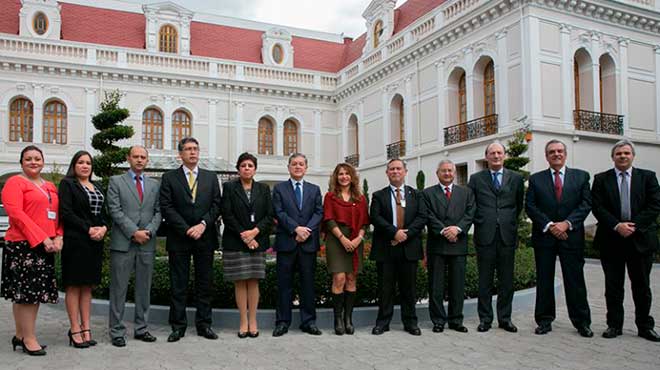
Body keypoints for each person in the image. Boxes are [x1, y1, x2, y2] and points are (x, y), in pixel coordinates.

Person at [591, 139, 660, 342]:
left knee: (642, 287)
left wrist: (633, 226)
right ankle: (614, 325)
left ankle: (645, 326)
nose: (622, 156)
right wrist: (617, 226)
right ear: (613, 157)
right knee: (613, 287)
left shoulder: (647, 177)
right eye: (619, 153)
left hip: (640, 241)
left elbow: (655, 205)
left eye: (626, 153)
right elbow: (597, 206)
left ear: (632, 156)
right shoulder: (601, 179)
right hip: (611, 240)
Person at [525, 140, 593, 337]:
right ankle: (544, 320)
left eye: (560, 151)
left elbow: (585, 204)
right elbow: (531, 206)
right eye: (552, 152)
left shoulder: (580, 177)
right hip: (545, 237)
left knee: (575, 281)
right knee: (544, 280)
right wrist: (550, 226)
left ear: (565, 154)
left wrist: (567, 224)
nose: (556, 154)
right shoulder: (536, 179)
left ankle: (582, 322)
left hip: (571, 237)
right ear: (546, 156)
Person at [1, 145, 62, 356]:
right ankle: (29, 337)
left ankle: (20, 335)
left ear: (43, 161)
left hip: (45, 245)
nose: (33, 162)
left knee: (28, 294)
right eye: (28, 159)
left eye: (37, 158)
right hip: (22, 245)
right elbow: (17, 215)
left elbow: (58, 214)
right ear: (21, 162)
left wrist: (58, 235)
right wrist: (42, 237)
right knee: (26, 295)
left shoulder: (50, 186)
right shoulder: (14, 183)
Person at [160, 137, 222, 342]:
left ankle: (204, 325)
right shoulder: (169, 177)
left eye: (195, 149)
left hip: (205, 237)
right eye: (188, 149)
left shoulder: (211, 177)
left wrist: (203, 224)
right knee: (179, 284)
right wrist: (187, 229)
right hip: (180, 238)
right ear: (180, 154)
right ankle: (178, 326)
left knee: (205, 283)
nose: (192, 152)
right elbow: (167, 207)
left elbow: (216, 205)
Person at [106, 145, 161, 347]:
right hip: (123, 243)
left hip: (147, 242)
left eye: (143, 157)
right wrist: (133, 232)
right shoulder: (116, 181)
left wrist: (148, 231)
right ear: (128, 158)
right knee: (119, 289)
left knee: (144, 289)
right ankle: (117, 331)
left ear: (147, 160)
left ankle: (141, 328)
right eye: (136, 156)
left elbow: (159, 211)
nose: (139, 160)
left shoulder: (155, 185)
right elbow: (115, 210)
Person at [468, 142, 524, 333]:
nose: (496, 156)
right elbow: (471, 205)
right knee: (485, 280)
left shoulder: (516, 178)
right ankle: (485, 319)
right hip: (485, 235)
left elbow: (518, 204)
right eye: (492, 153)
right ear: (486, 157)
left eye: (499, 152)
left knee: (506, 280)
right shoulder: (476, 179)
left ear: (505, 156)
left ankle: (505, 318)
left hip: (507, 236)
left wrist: (506, 221)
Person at [370, 159, 427, 336]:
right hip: (386, 247)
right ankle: (383, 322)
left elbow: (422, 217)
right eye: (392, 169)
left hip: (409, 247)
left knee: (409, 289)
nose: (395, 171)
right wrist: (394, 232)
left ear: (405, 172)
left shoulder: (416, 194)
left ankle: (410, 322)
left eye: (398, 169)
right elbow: (375, 217)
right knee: (385, 289)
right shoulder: (378, 195)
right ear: (387, 173)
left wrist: (406, 234)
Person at [220, 152, 274, 338]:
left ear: (255, 169)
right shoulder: (229, 187)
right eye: (243, 165)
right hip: (236, 240)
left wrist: (254, 233)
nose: (247, 168)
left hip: (257, 240)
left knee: (253, 280)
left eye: (250, 165)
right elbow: (227, 214)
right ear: (238, 169)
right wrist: (245, 235)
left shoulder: (264, 189)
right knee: (240, 281)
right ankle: (243, 321)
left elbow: (269, 215)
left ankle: (254, 321)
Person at [59, 150, 108, 348]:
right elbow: (66, 212)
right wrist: (88, 228)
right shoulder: (68, 184)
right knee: (74, 285)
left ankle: (86, 328)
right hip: (76, 241)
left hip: (95, 242)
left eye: (88, 162)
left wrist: (103, 228)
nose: (85, 166)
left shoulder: (98, 186)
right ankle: (74, 329)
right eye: (81, 162)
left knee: (87, 286)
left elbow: (105, 213)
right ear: (74, 165)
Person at [272, 153, 323, 337]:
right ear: (289, 167)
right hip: (287, 243)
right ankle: (283, 322)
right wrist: (296, 229)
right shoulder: (279, 189)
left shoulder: (315, 189)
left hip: (307, 244)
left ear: (306, 168)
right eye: (294, 164)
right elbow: (278, 212)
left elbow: (318, 212)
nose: (298, 167)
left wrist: (306, 230)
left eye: (301, 164)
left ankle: (308, 321)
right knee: (284, 285)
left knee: (308, 285)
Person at [424, 160, 475, 334]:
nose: (447, 174)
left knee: (458, 285)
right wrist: (444, 230)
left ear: (454, 173)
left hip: (458, 243)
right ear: (437, 173)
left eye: (450, 171)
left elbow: (470, 213)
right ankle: (438, 321)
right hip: (437, 244)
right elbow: (427, 215)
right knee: (436, 286)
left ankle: (456, 320)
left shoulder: (466, 193)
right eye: (443, 171)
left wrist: (457, 229)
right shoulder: (428, 193)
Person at [322, 163, 369, 335]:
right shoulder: (330, 197)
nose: (344, 177)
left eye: (347, 174)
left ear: (352, 176)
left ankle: (348, 318)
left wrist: (358, 239)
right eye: (340, 174)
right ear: (336, 177)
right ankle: (338, 319)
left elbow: (365, 221)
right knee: (339, 278)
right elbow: (328, 219)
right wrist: (342, 238)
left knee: (351, 278)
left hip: (356, 238)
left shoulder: (360, 198)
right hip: (336, 239)